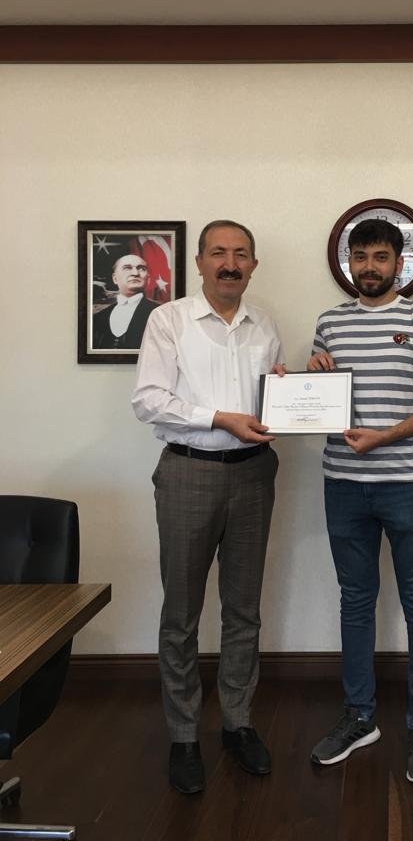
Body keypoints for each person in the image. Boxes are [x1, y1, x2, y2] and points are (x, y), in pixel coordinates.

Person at [132, 220, 284, 795]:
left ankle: (238, 724)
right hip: (188, 473)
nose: (230, 263)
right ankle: (183, 736)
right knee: (182, 613)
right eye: (218, 252)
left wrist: (288, 393)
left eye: (241, 254)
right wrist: (219, 418)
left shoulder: (265, 324)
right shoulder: (168, 320)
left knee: (244, 610)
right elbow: (149, 400)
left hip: (254, 475)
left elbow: (268, 402)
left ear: (253, 265)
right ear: (198, 263)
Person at [307, 218, 413, 784]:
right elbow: (318, 402)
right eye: (360, 257)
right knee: (355, 601)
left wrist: (385, 437)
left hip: (408, 484)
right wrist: (311, 377)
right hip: (343, 484)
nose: (369, 267)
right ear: (349, 262)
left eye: (380, 257)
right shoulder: (329, 323)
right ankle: (359, 717)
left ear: (399, 263)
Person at [92, 253, 158, 349]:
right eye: (127, 268)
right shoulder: (98, 317)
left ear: (148, 278)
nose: (135, 273)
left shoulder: (160, 313)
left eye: (141, 268)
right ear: (115, 278)